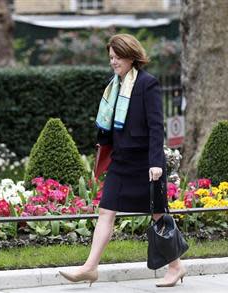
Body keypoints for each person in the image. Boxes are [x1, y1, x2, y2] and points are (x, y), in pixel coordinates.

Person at [59, 34, 186, 287]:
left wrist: (156, 163)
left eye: (117, 57)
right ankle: (90, 267)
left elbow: (156, 126)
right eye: (111, 58)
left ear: (130, 57)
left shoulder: (147, 84)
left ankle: (175, 266)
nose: (113, 62)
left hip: (145, 163)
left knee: (158, 215)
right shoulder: (114, 85)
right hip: (121, 161)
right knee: (106, 211)